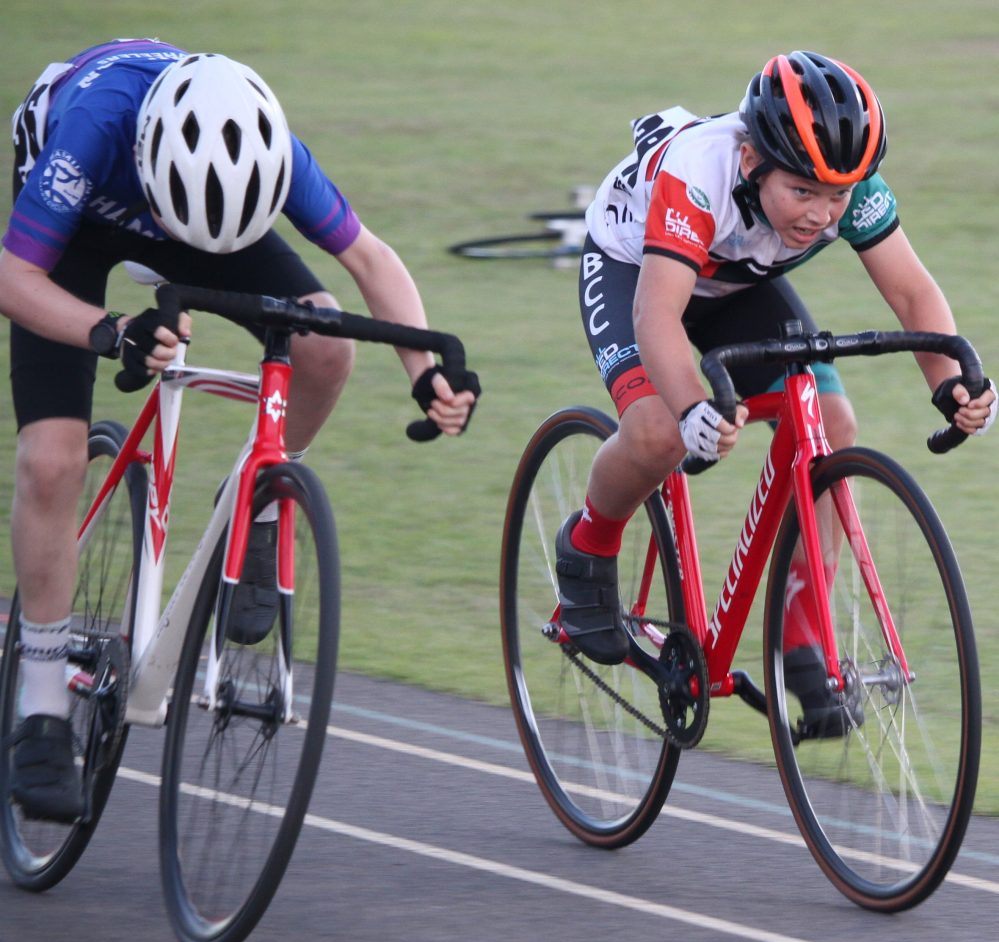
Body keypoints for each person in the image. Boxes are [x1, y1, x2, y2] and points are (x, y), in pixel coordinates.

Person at [0, 40, 480, 822]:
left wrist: (423, 372)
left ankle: (257, 501)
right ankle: (43, 703)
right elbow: (12, 276)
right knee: (52, 461)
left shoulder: (269, 148)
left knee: (326, 343)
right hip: (83, 222)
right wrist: (105, 331)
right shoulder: (92, 125)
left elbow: (368, 257)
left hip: (204, 214)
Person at [557, 50, 995, 719]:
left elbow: (911, 292)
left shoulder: (848, 186)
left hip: (734, 284)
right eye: (803, 193)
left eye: (837, 197)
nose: (822, 215)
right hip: (635, 272)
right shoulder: (698, 175)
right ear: (751, 162)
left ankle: (801, 638)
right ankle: (588, 542)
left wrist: (952, 384)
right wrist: (689, 408)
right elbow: (656, 315)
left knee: (830, 421)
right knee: (654, 433)